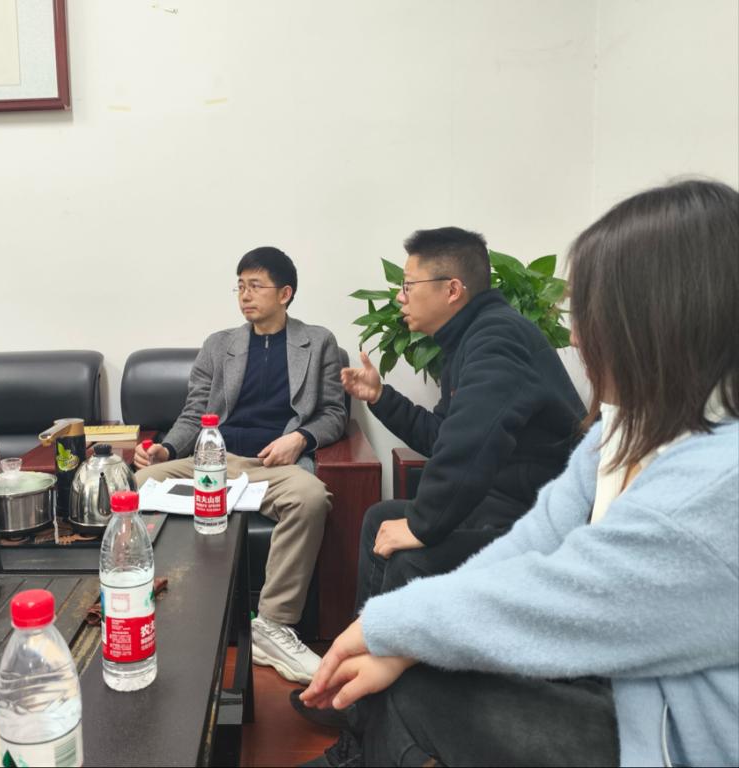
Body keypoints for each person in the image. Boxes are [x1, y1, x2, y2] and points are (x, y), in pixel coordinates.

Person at [301, 179, 739, 767]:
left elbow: (570, 591)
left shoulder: (714, 487)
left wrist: (399, 616)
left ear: (664, 319)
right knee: (394, 568)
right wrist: (381, 398)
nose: (576, 336)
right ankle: (358, 723)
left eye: (592, 313)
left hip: (660, 733)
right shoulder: (622, 429)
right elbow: (519, 516)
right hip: (625, 682)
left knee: (412, 639)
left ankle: (357, 729)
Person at [342, 227, 584, 611]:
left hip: (533, 516)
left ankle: (377, 645)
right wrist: (380, 397)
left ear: (452, 289)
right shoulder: (469, 339)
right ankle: (367, 640)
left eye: (408, 285)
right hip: (496, 503)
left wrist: (422, 525)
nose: (400, 296)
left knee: (409, 557)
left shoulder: (497, 338)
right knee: (380, 519)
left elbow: (469, 443)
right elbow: (443, 435)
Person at [135, 246, 347, 684]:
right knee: (137, 482)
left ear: (285, 293)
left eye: (255, 286)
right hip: (212, 459)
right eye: (240, 286)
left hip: (274, 463)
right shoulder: (219, 345)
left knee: (311, 498)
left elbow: (333, 414)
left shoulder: (318, 342)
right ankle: (151, 607)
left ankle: (273, 624)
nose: (245, 296)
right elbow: (195, 412)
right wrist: (167, 450)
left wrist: (300, 439)